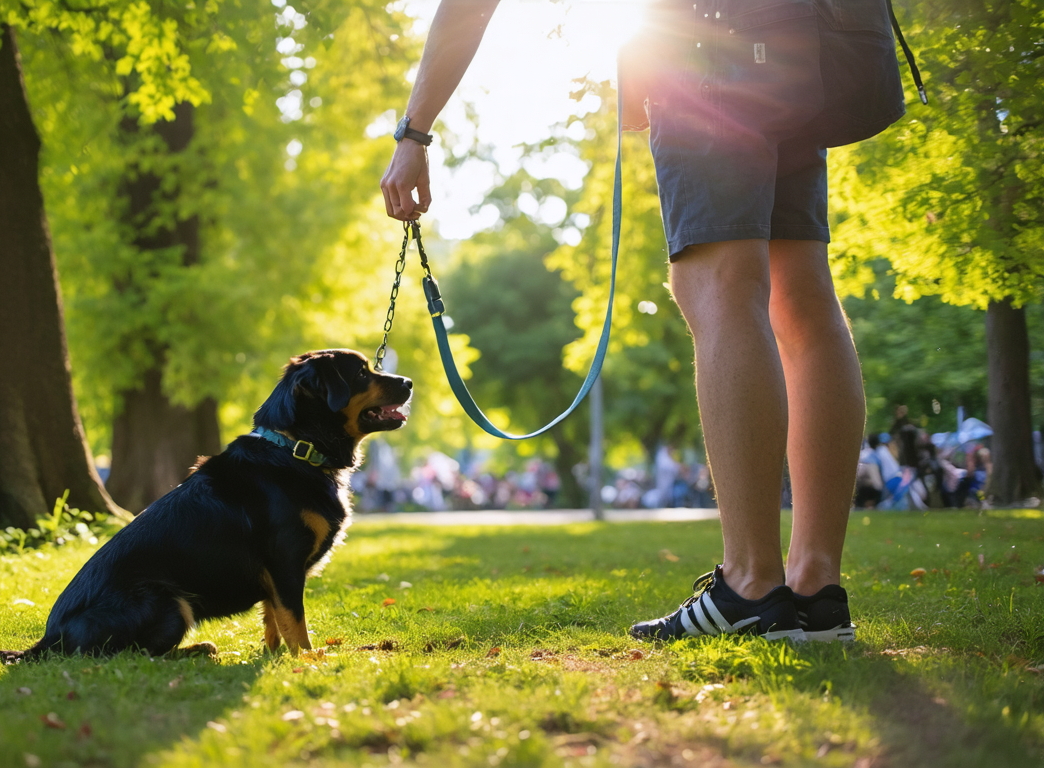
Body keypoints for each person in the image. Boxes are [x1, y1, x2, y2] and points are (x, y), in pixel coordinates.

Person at [381, 0, 908, 642]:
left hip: (707, 38)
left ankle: (751, 584)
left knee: (719, 282)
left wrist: (415, 132)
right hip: (803, 40)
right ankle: (816, 590)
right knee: (802, 297)